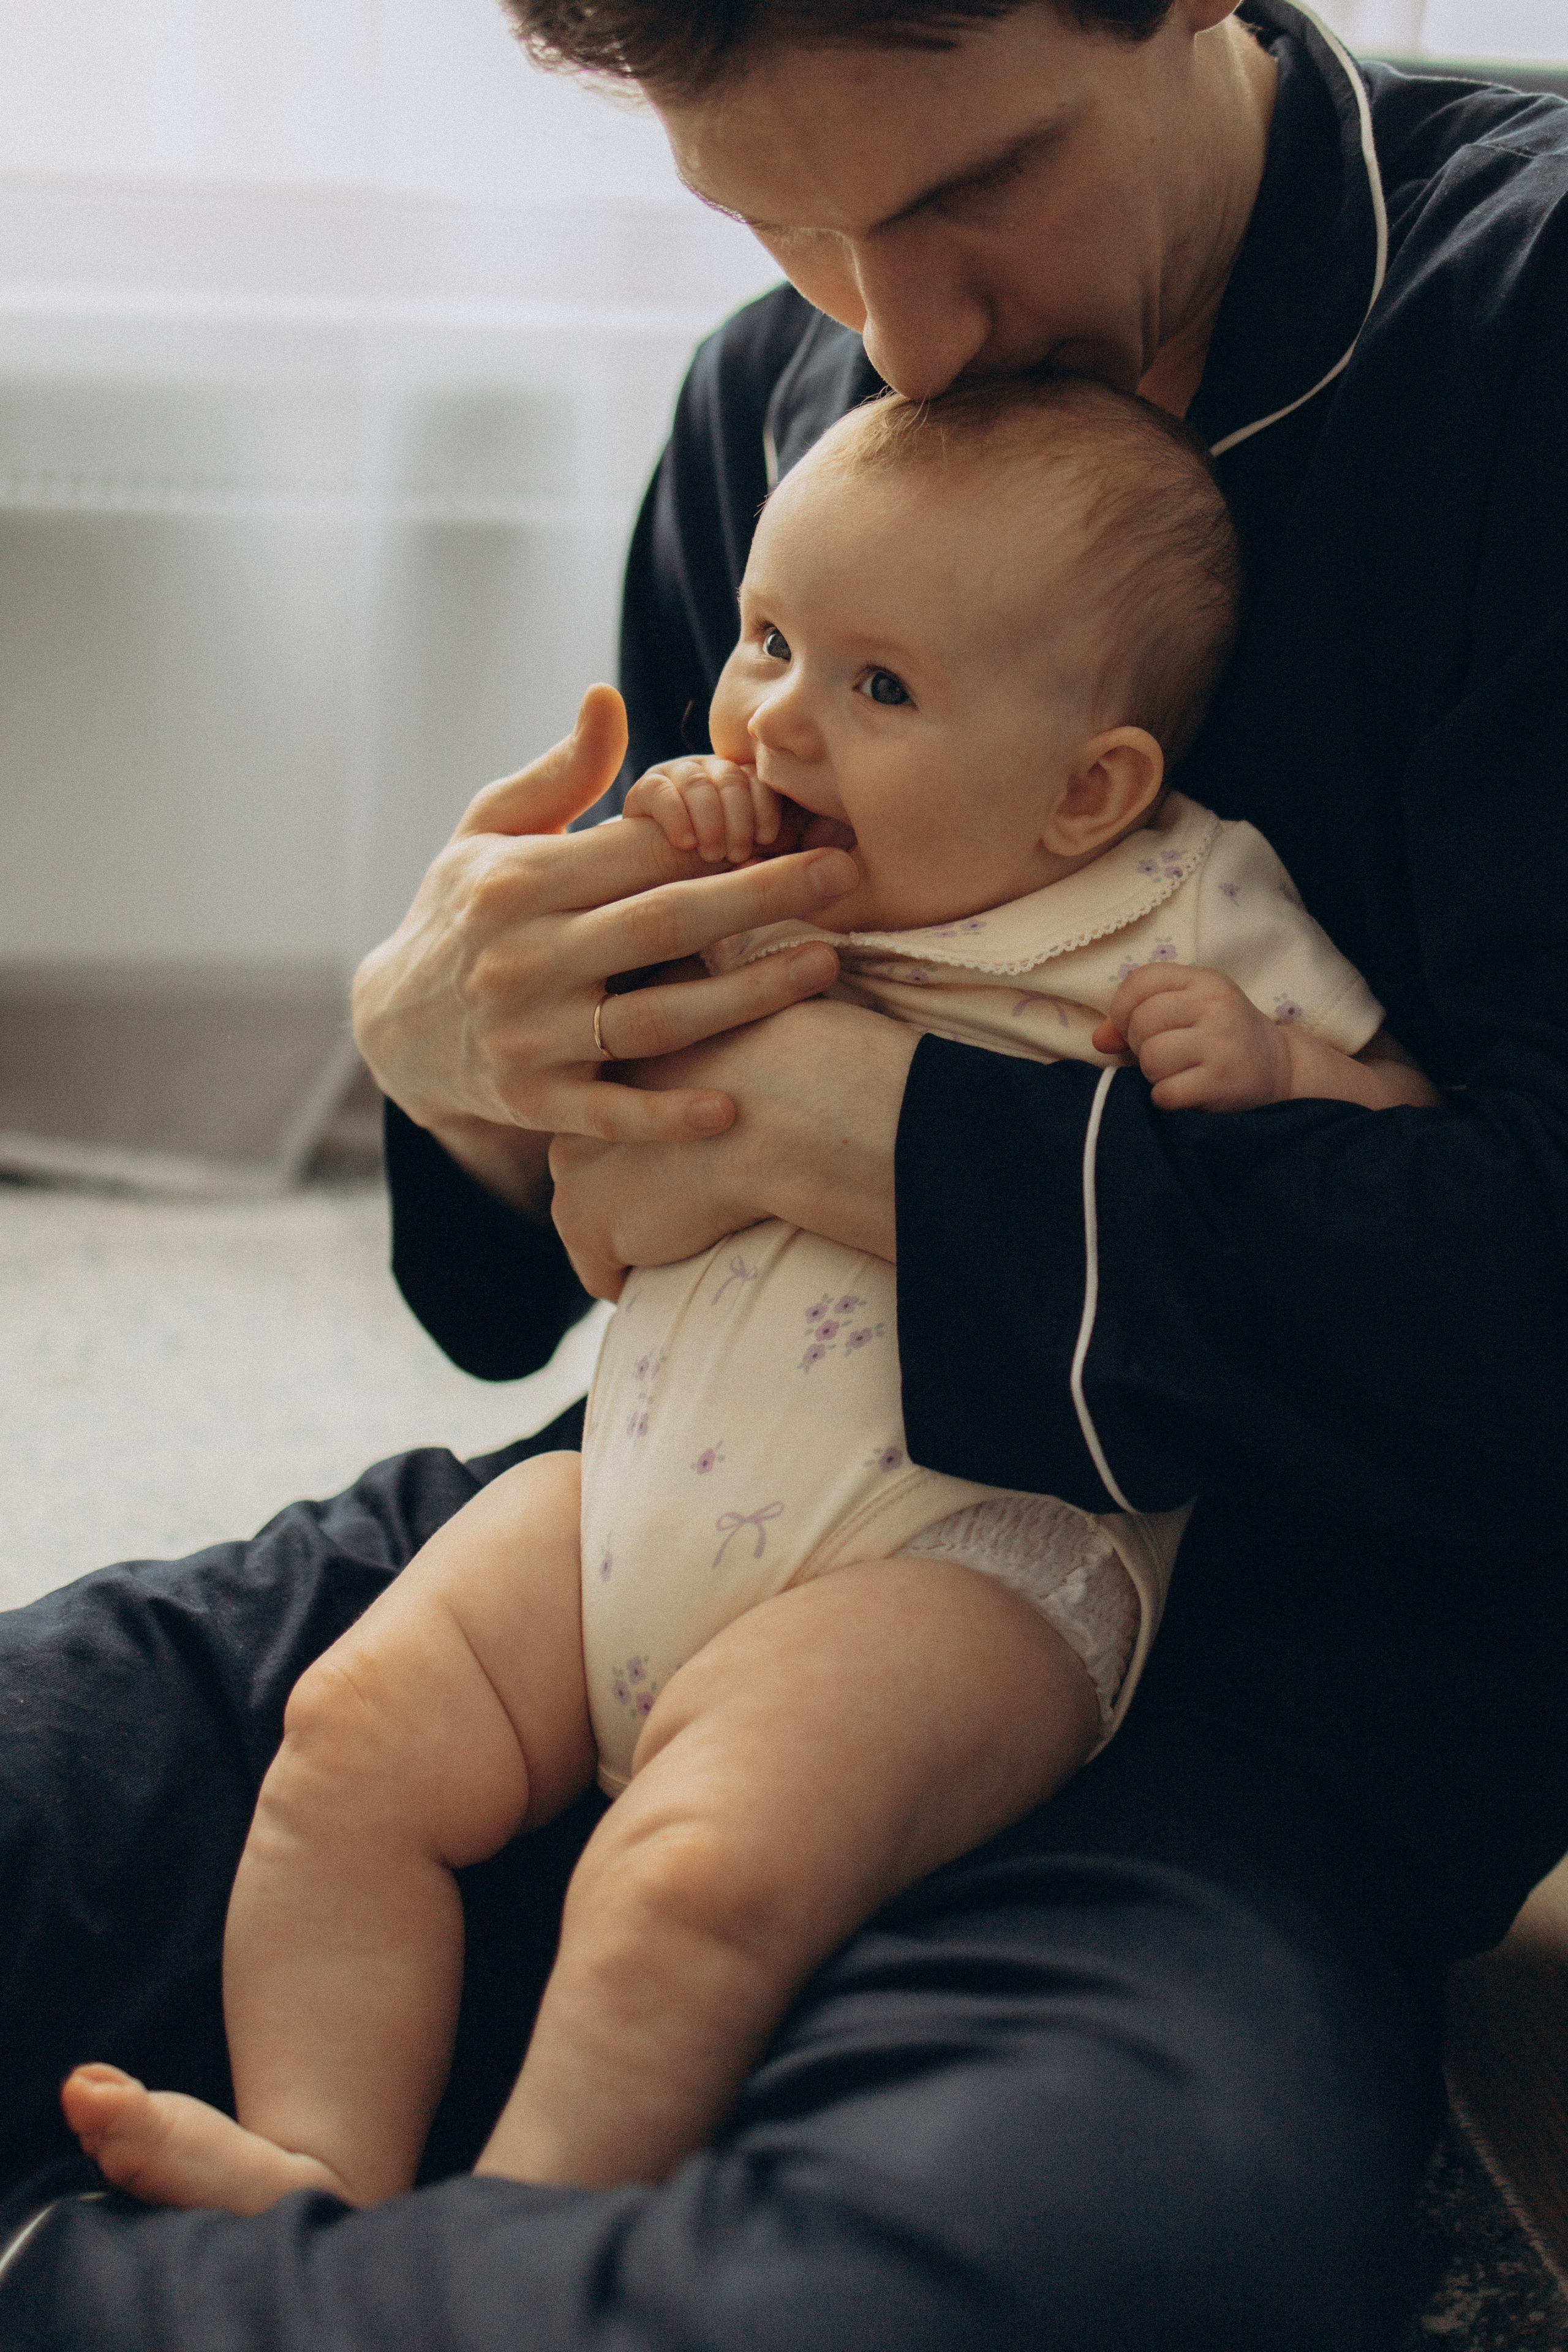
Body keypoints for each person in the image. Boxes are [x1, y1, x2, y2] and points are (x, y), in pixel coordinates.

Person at [2, 2, 1566, 2343]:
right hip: (664, 1510)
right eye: (784, 222)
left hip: (1214, 1713)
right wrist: (462, 1063)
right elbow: (551, 1275)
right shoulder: (783, 384)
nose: (897, 334)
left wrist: (895, 1139)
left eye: (971, 188)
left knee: (1021, 2275)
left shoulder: (1525, 325)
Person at [55, 376, 1441, 2218]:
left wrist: (1275, 1069)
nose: (779, 713)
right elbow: (545, 1152)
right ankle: (315, 2166)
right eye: (768, 639)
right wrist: (504, 974)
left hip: (961, 1559)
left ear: (1086, 788)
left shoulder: (1176, 901)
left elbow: (1414, 1152)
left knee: (689, 1879)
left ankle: (504, 2245)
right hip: (621, 1493)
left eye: (877, 688)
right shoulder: (746, 864)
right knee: (348, 1740)